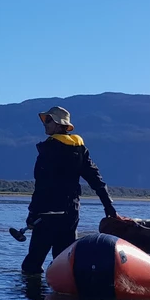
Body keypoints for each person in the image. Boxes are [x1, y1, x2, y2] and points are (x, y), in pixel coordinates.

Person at [21, 106, 118, 274]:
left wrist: (32, 214)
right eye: (45, 120)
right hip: (70, 214)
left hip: (46, 215)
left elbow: (41, 186)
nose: (45, 123)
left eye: (49, 120)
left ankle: (34, 290)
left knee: (32, 265)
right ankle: (63, 290)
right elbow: (96, 180)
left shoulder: (48, 150)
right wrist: (108, 206)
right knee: (63, 262)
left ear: (59, 125)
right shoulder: (79, 150)